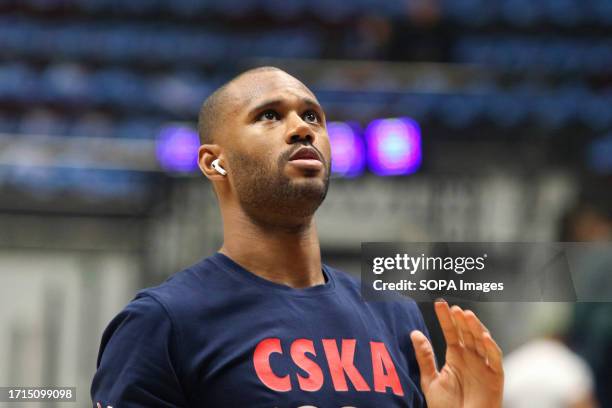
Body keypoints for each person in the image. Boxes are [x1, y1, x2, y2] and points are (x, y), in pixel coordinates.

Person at [91, 66, 503, 407]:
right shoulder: (163, 323)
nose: (300, 129)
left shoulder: (396, 317)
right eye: (269, 115)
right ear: (214, 163)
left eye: (312, 117)